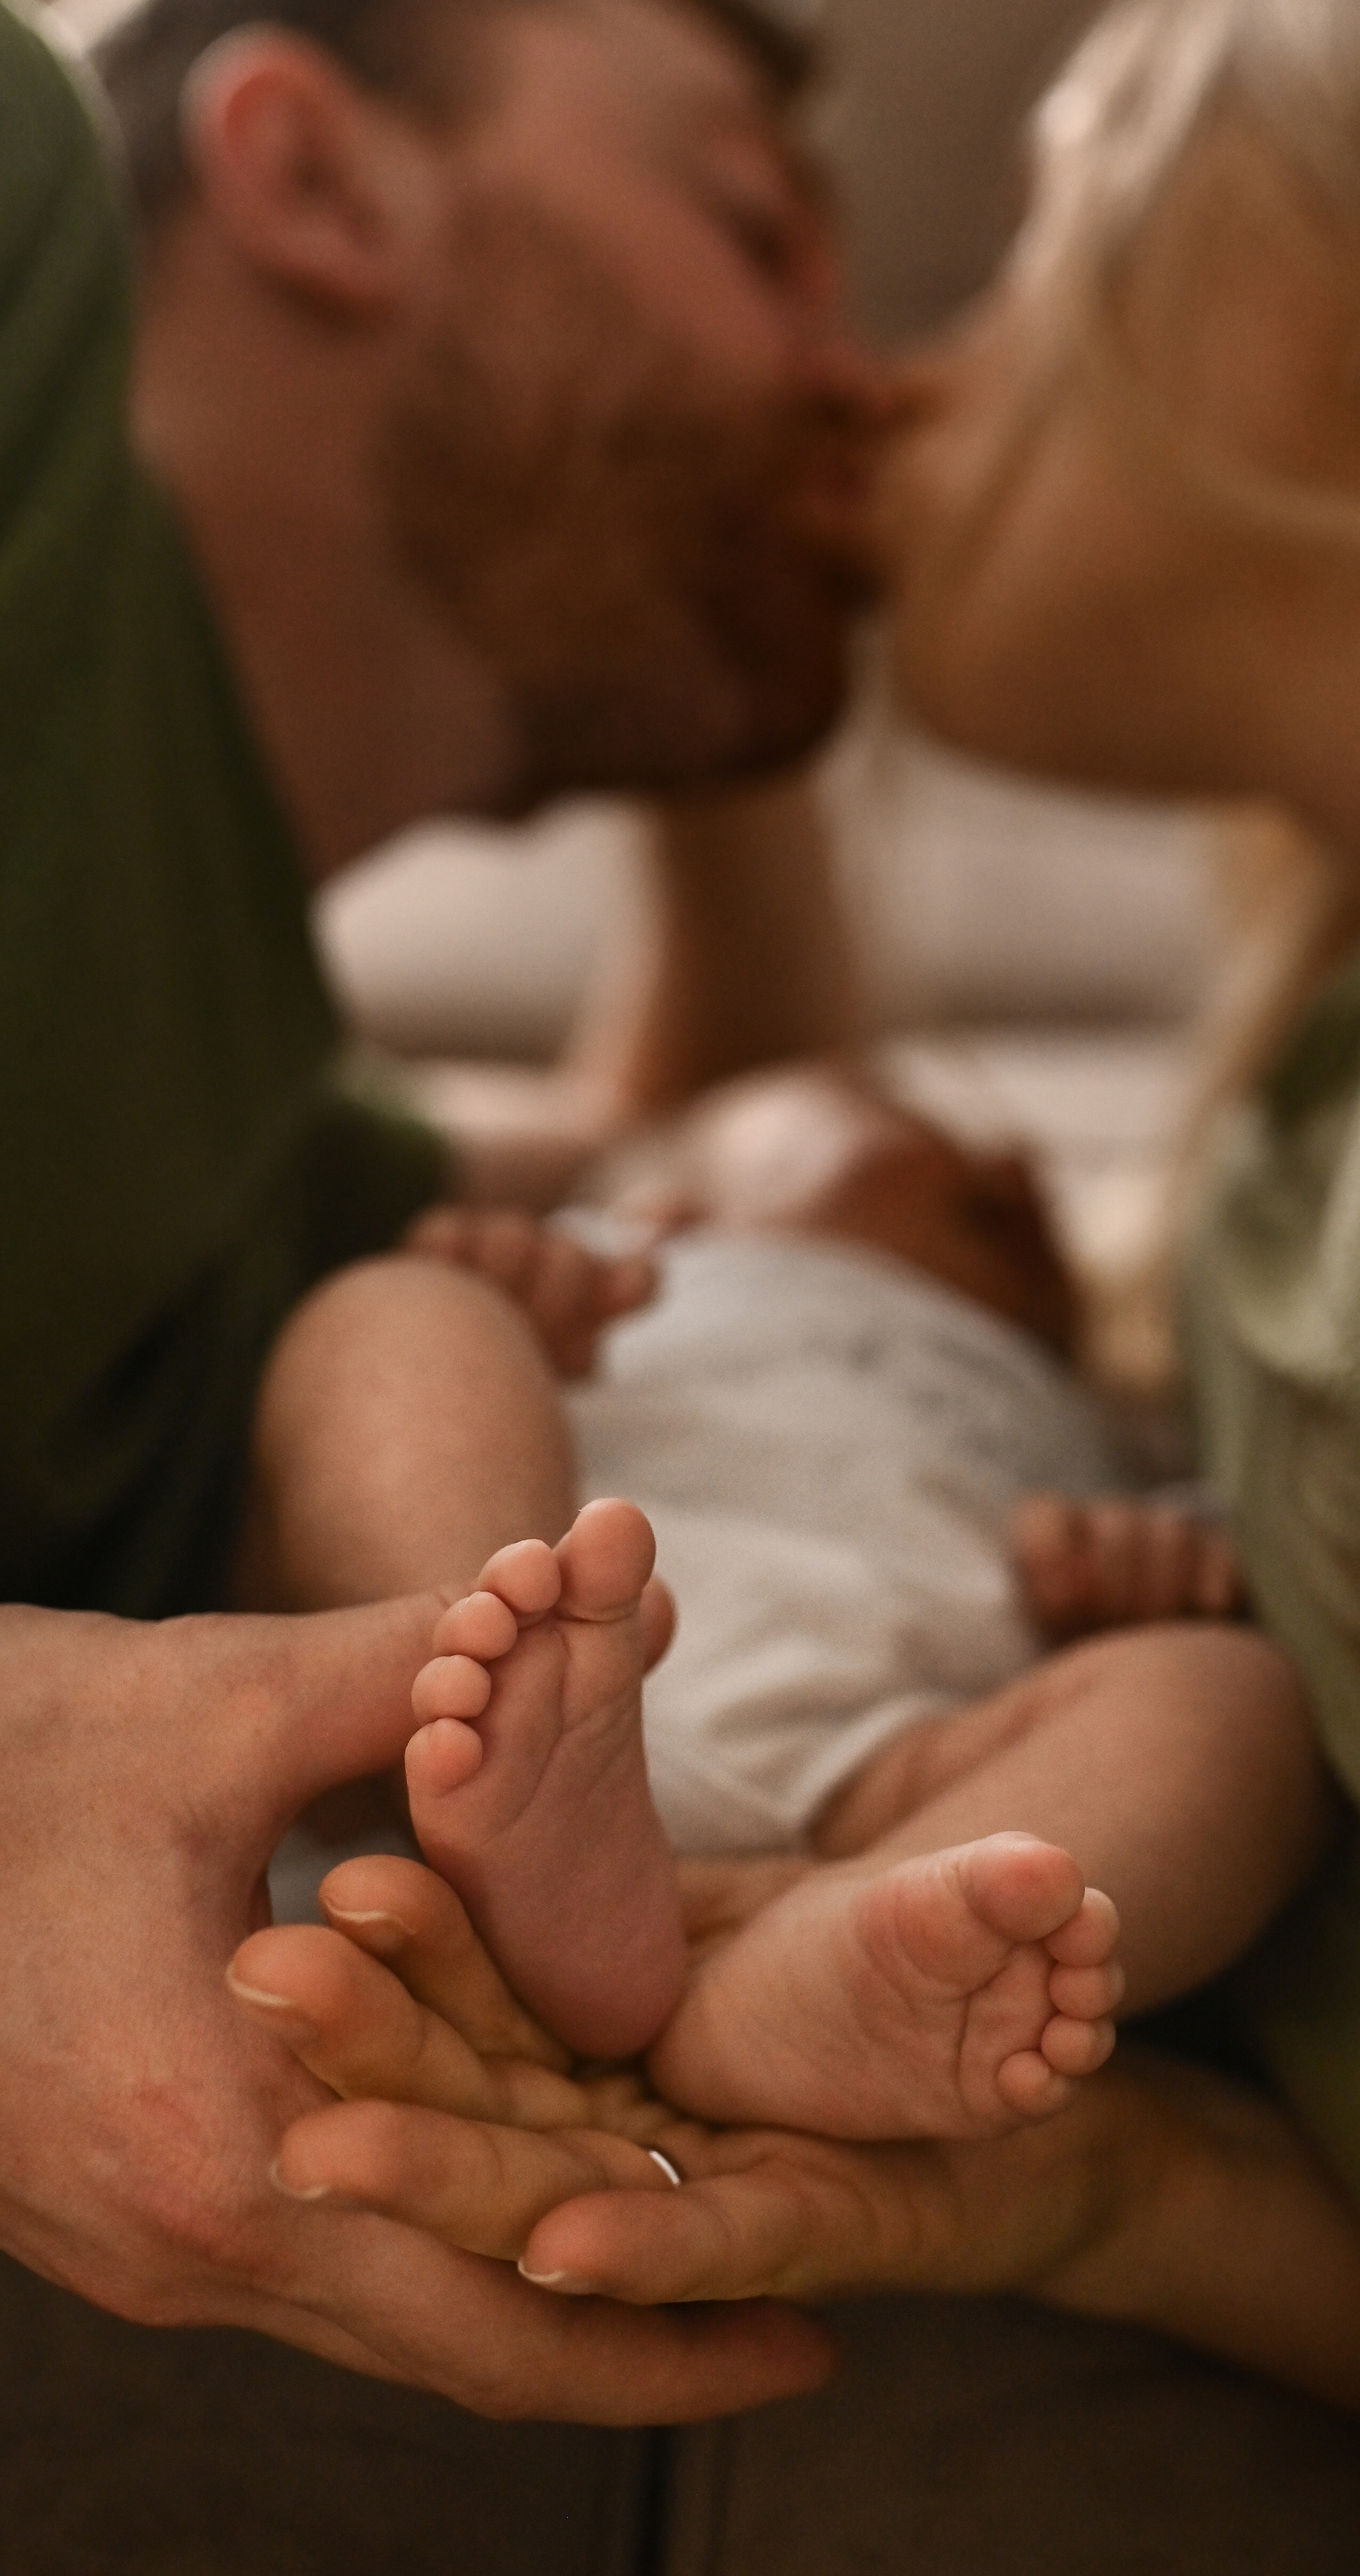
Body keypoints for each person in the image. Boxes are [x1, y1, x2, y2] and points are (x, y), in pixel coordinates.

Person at [244, 2, 1360, 2567]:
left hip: (835, 1774)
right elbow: (797, 1200)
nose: (878, 378)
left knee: (1210, 1703)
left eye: (1033, 240)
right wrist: (1117, 2192)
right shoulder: (1296, 1139)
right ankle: (516, 1745)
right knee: (404, 1331)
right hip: (696, 1744)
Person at [0, 0, 903, 2430]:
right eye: (747, 229)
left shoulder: (252, 1165)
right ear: (313, 175)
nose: (864, 384)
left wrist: (745, 682)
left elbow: (755, 1201)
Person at [242, 1061, 1300, 2138]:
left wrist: (1142, 1586)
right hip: (520, 1642)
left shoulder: (1102, 1427)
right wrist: (499, 1294)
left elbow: (1197, 1586)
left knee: (1239, 1701)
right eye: (905, 1120)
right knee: (397, 1314)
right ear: (671, 1211)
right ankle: (501, 1705)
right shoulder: (633, 1279)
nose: (1018, 1170)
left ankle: (818, 1972)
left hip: (880, 1777)